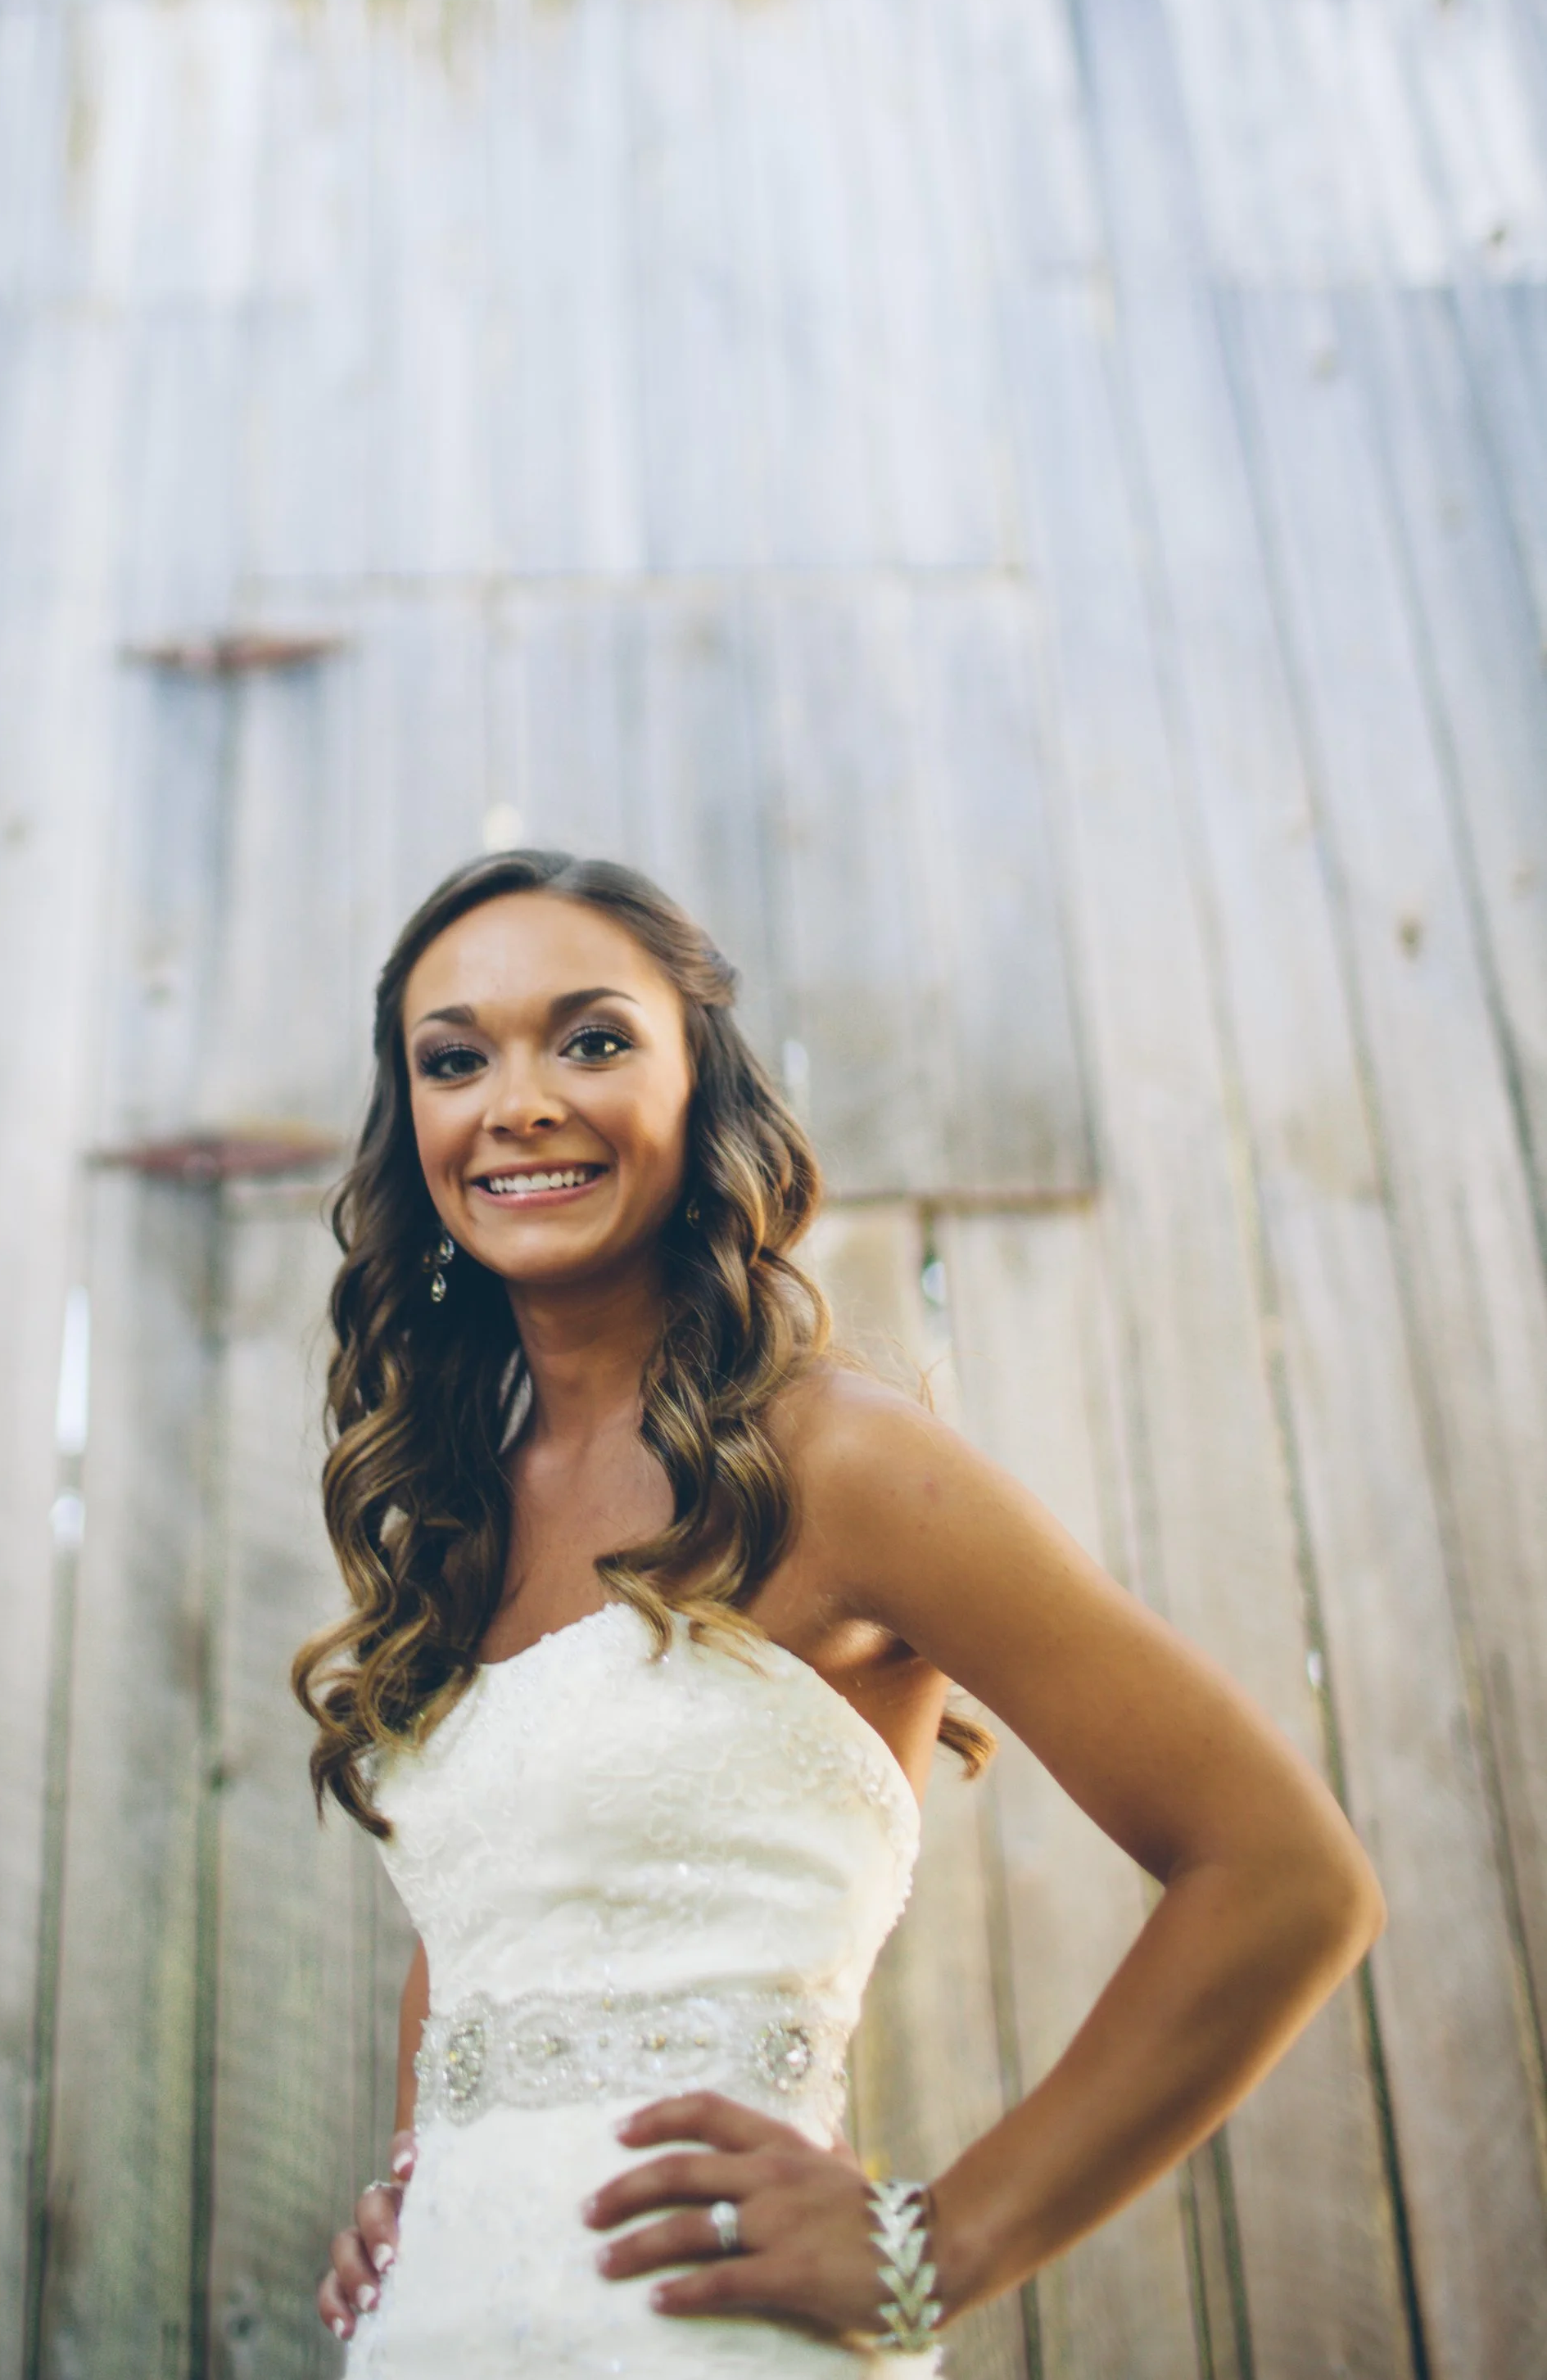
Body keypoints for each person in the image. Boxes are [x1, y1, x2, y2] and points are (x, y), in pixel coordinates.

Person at [296, 849, 1382, 2371]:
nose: (518, 1099)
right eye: (455, 1058)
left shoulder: (838, 1459)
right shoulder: (461, 1514)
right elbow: (490, 1918)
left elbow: (1285, 1873)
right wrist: (431, 2174)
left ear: (701, 1088)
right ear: (413, 1126)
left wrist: (943, 2239)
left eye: (592, 1039)